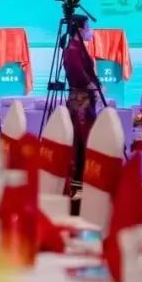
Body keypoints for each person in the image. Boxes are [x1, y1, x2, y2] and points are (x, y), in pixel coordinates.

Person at [62, 15, 101, 186]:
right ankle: (79, 178)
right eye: (87, 27)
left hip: (86, 97)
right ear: (80, 30)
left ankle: (84, 176)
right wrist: (92, 86)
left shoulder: (79, 48)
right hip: (80, 100)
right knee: (81, 139)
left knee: (86, 137)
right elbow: (77, 72)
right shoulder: (72, 50)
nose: (90, 31)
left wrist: (96, 86)